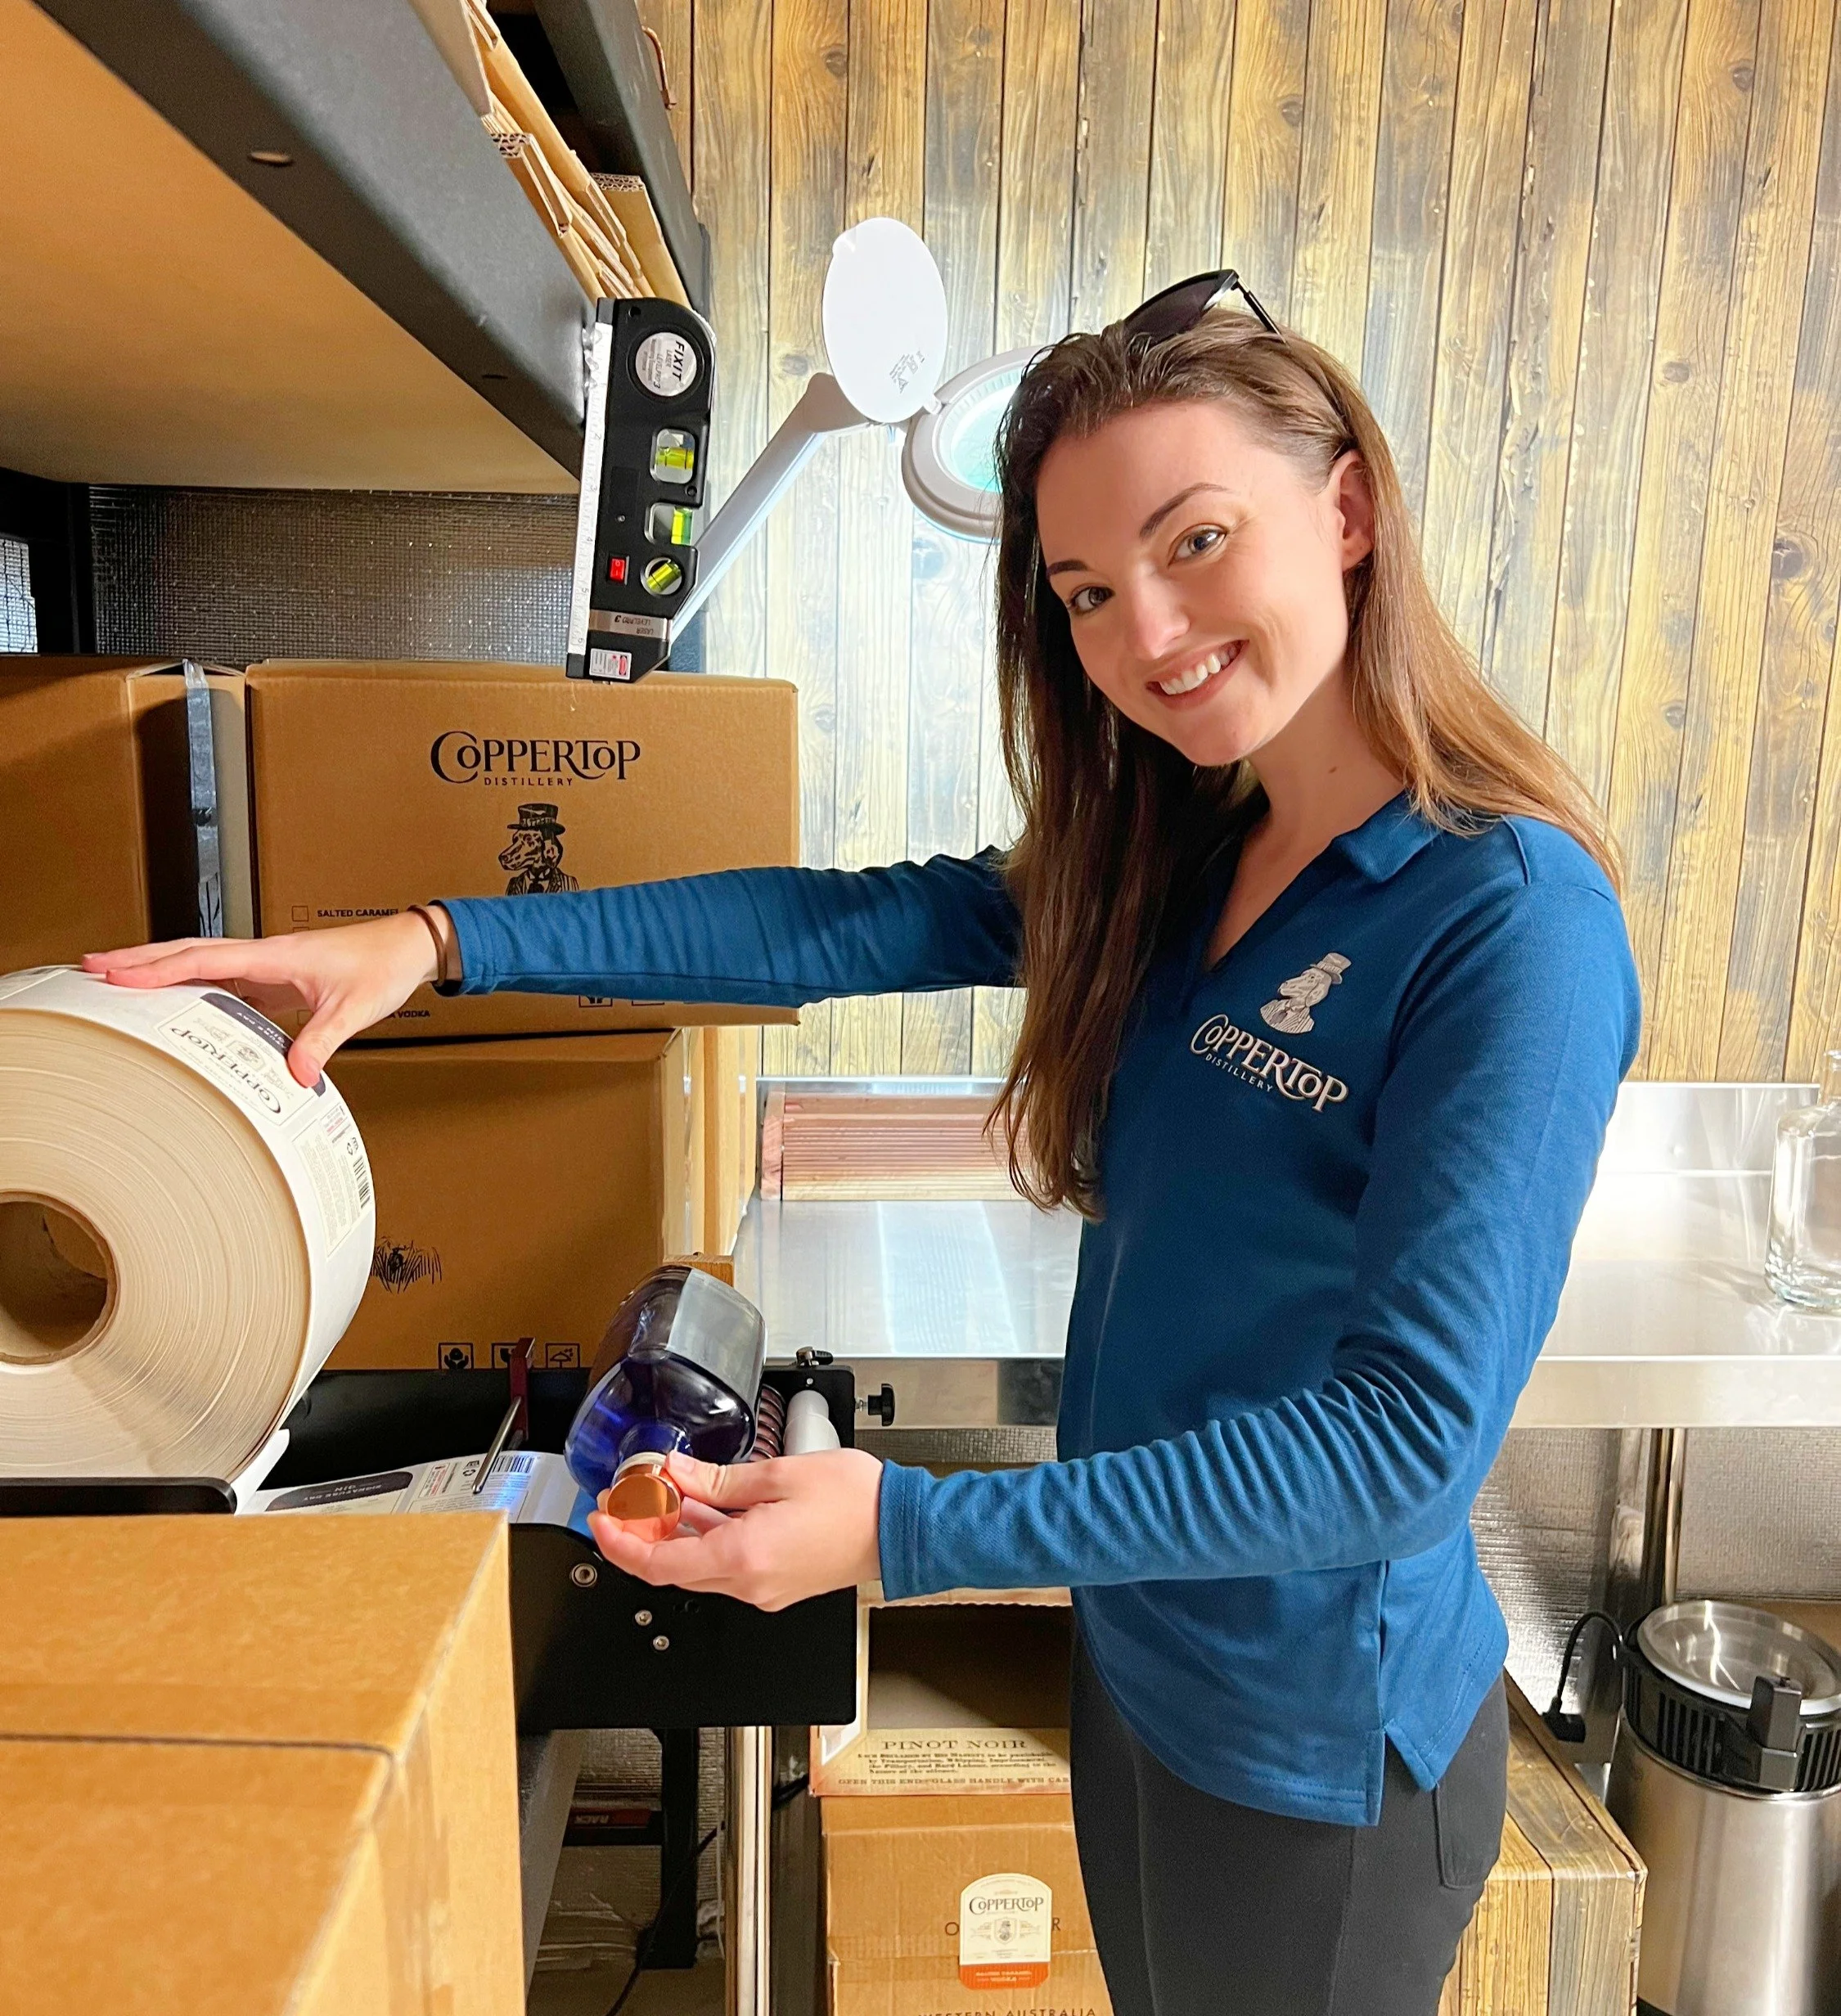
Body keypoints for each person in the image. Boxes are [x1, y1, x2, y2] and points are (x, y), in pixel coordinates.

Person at [87, 274, 1640, 2016]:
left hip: (1319, 1748)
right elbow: (836, 926)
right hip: (1146, 1656)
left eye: (1198, 539)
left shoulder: (1508, 921)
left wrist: (903, 1530)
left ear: (1346, 509)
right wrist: (435, 942)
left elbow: (1401, 1451)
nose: (1146, 632)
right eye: (1086, 593)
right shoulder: (1197, 849)